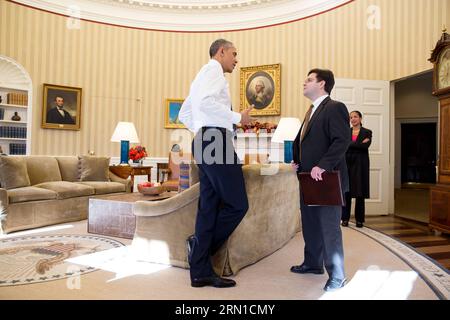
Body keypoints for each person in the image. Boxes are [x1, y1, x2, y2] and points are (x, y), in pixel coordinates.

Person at [178, 39, 253, 288]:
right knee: (238, 204)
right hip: (215, 142)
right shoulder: (215, 72)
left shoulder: (201, 76)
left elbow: (185, 113)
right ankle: (198, 249)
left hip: (204, 142)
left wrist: (202, 131)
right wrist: (236, 117)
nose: (236, 59)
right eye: (234, 53)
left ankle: (200, 271)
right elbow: (204, 105)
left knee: (209, 206)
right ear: (221, 52)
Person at [291, 68, 350, 292]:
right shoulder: (310, 111)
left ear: (322, 84)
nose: (304, 83)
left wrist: (322, 166)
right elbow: (304, 142)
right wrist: (297, 161)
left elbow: (341, 141)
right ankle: (313, 263)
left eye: (309, 80)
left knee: (329, 228)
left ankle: (337, 276)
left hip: (327, 180)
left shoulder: (335, 108)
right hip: (308, 179)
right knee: (310, 225)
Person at [341, 111, 372, 228]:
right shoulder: (346, 131)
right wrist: (357, 143)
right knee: (346, 192)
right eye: (351, 117)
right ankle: (345, 218)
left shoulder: (367, 132)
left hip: (360, 164)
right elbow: (344, 145)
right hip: (346, 163)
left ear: (360, 118)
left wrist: (350, 143)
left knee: (360, 193)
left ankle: (359, 220)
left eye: (355, 117)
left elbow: (365, 146)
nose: (353, 119)